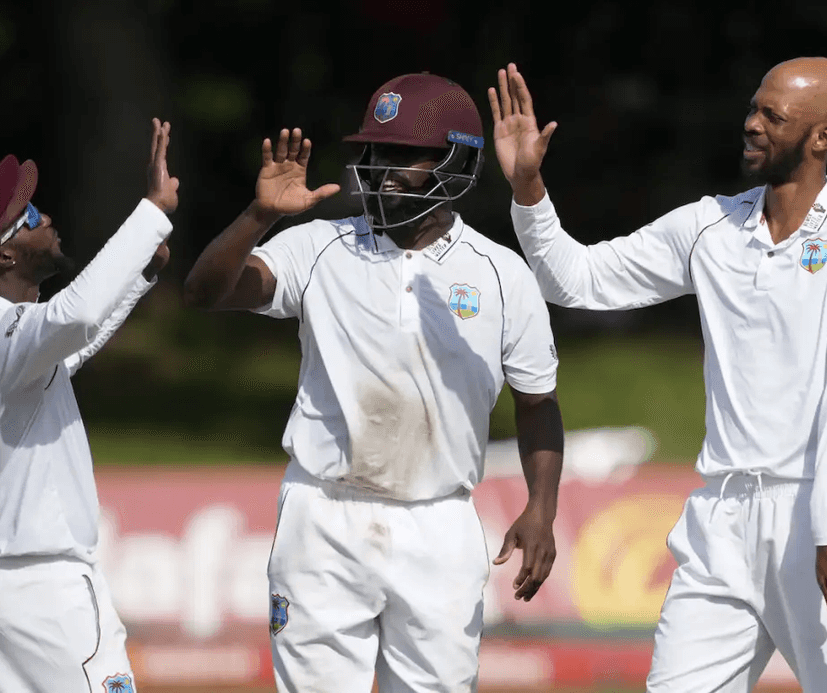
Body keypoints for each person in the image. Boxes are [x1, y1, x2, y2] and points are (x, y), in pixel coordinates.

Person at [490, 59, 827, 692]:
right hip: (720, 522)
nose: (752, 124)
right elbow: (575, 280)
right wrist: (528, 189)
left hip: (816, 516)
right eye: (754, 108)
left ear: (822, 137)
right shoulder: (709, 226)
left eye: (773, 116)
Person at [183, 72, 564, 692]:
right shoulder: (318, 246)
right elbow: (205, 293)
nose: (381, 171)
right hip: (323, 516)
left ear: (456, 162)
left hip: (439, 522)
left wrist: (541, 509)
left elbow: (538, 403)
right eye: (374, 152)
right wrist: (259, 215)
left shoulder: (502, 274)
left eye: (402, 155)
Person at [0, 118, 179, 693]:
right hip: (42, 593)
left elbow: (71, 343)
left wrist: (139, 275)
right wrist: (150, 213)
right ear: (0, 257)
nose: (42, 215)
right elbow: (75, 315)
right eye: (25, 216)